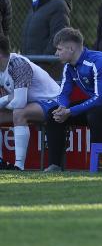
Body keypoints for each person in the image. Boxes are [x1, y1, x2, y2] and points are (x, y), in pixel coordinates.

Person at [43, 28, 102, 172]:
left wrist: (70, 111)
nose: (56, 53)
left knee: (95, 115)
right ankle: (55, 165)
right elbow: (63, 94)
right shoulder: (68, 67)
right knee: (53, 114)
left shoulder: (98, 61)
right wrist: (62, 108)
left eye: (59, 49)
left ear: (71, 48)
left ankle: (99, 165)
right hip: (99, 104)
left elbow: (100, 99)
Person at [0, 35, 60, 170]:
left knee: (19, 113)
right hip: (31, 103)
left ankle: (19, 166)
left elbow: (19, 103)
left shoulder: (18, 65)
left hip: (52, 101)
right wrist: (9, 98)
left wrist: (7, 99)